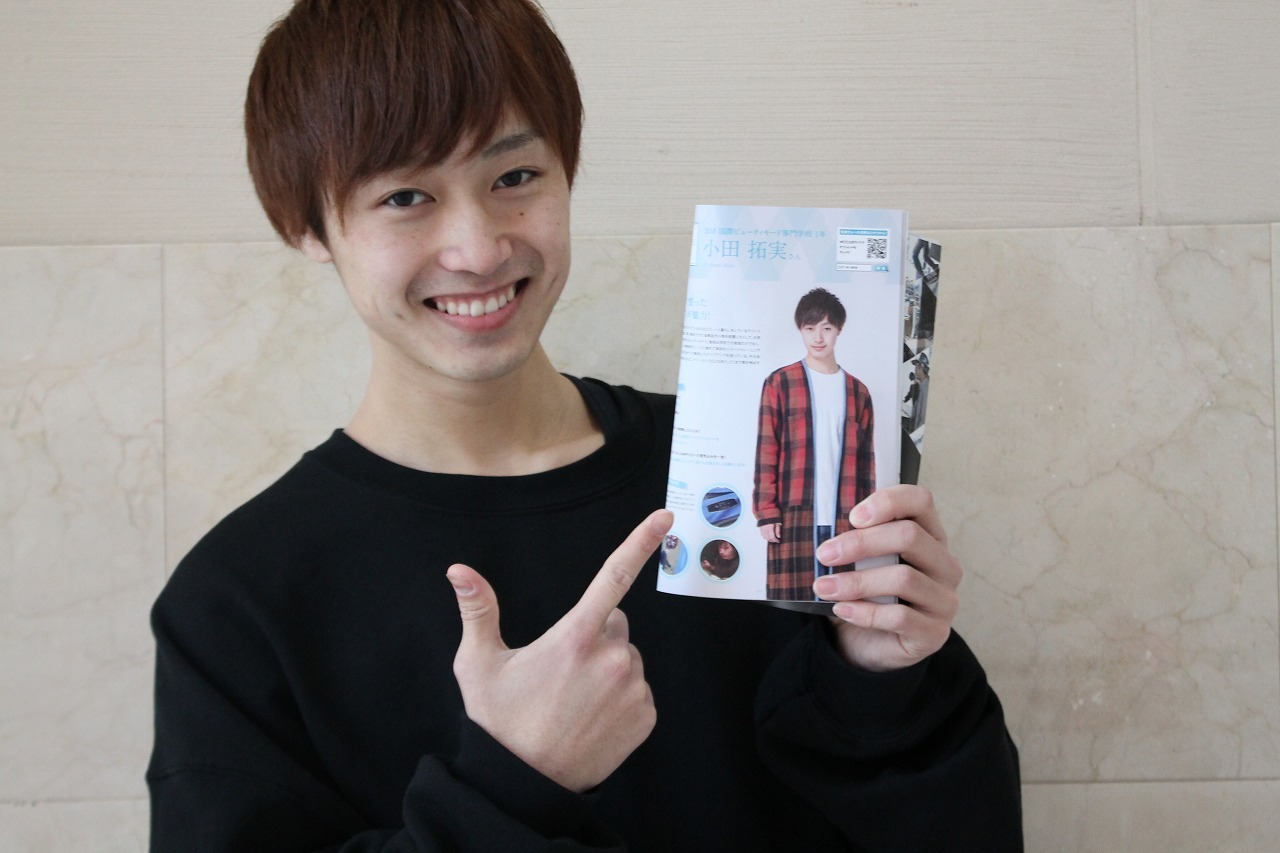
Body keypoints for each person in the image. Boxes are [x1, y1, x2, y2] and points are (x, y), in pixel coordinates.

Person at [146, 1, 1023, 850]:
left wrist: (880, 681)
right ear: (305, 223)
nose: (479, 248)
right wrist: (510, 787)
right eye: (406, 195)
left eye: (514, 178)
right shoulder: (237, 602)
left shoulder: (727, 469)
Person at [753, 288, 877, 602]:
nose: (818, 338)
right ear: (800, 329)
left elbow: (866, 463)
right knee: (787, 604)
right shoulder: (780, 382)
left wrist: (867, 518)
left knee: (841, 606)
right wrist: (766, 512)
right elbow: (767, 450)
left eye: (826, 328)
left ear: (839, 330)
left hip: (844, 517)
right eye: (810, 328)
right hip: (792, 514)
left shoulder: (858, 392)